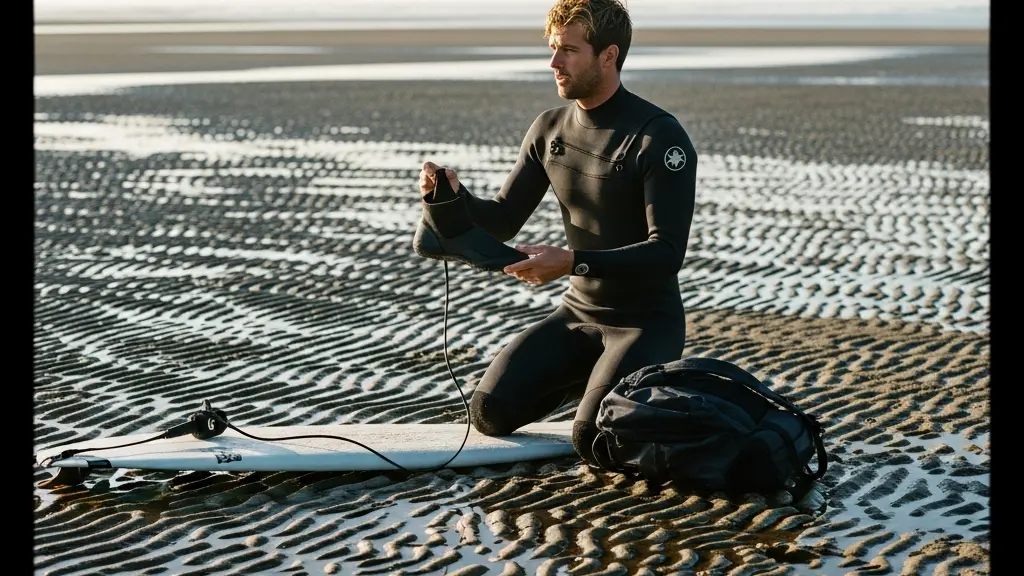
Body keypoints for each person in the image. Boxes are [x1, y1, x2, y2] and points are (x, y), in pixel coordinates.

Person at [416, 0, 698, 465]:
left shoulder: (658, 137)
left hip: (645, 323)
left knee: (594, 439)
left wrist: (571, 261)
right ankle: (596, 380)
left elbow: (666, 252)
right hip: (576, 313)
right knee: (488, 412)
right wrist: (452, 195)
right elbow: (505, 217)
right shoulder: (549, 129)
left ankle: (634, 388)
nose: (553, 63)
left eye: (568, 50)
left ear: (608, 56)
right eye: (553, 48)